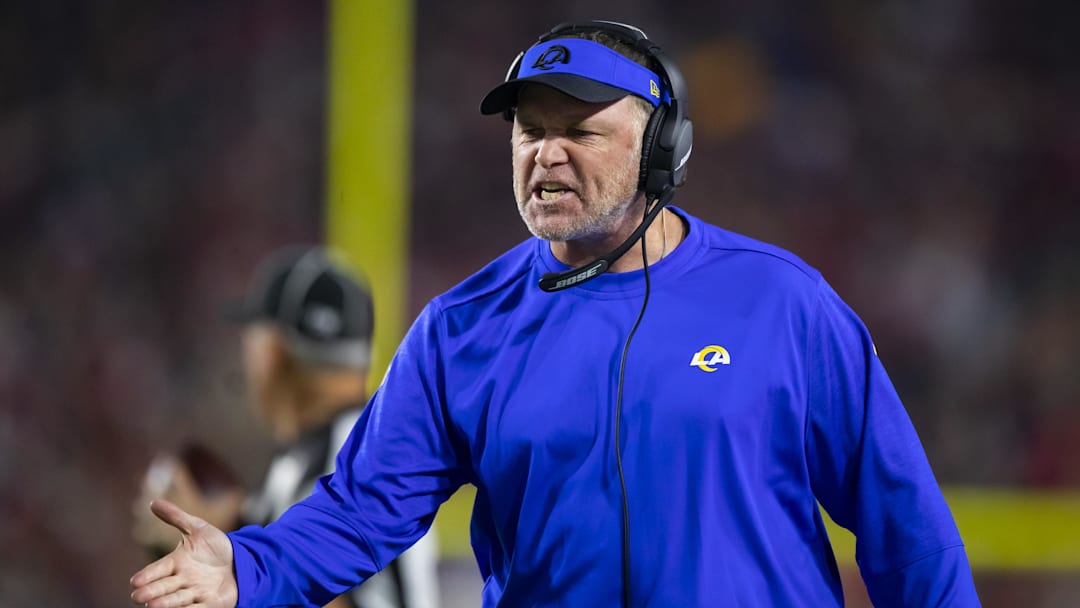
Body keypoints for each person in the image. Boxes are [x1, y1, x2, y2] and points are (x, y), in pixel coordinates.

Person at [131, 21, 981, 607]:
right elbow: (359, 508)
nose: (547, 152)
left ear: (659, 149)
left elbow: (905, 523)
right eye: (530, 130)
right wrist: (247, 568)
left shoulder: (781, 303)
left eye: (581, 127)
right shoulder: (460, 329)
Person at [130, 245, 440, 608]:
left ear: (272, 348)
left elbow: (323, 595)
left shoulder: (345, 450)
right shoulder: (351, 441)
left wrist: (223, 562)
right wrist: (234, 524)